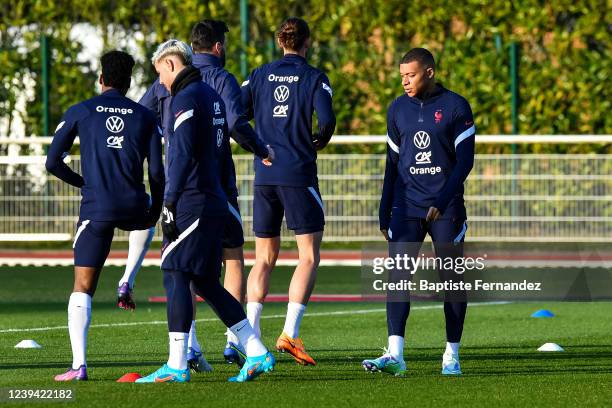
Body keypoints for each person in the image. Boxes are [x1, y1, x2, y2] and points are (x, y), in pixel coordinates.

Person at [124, 21, 274, 372]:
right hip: (217, 192)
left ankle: (180, 360)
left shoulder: (186, 97)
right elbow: (232, 128)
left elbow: (182, 154)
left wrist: (170, 203)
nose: (159, 83)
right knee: (205, 277)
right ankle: (251, 348)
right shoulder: (214, 90)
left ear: (173, 65)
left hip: (192, 196)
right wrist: (260, 147)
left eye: (161, 73)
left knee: (174, 269)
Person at [47, 50, 164, 381]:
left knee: (82, 287)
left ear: (101, 79)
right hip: (134, 205)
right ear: (128, 83)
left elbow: (53, 162)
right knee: (147, 222)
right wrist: (154, 210)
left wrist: (82, 183)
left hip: (97, 207)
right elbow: (157, 172)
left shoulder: (81, 111)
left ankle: (79, 366)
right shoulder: (144, 117)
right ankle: (128, 276)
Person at [362, 48, 475, 376]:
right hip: (406, 205)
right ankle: (395, 354)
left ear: (429, 72)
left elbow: (464, 161)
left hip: (446, 206)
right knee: (398, 276)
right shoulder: (397, 109)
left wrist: (441, 201)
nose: (404, 82)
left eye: (410, 75)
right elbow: (392, 163)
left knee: (451, 279)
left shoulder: (456, 107)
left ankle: (451, 354)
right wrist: (384, 209)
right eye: (401, 76)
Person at [242, 17, 335, 366]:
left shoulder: (259, 74)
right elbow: (326, 121)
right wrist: (317, 141)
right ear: (307, 42)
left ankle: (248, 338)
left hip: (264, 176)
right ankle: (289, 334)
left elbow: (238, 111)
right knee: (308, 255)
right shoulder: (314, 77)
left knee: (263, 257)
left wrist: (259, 143)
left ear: (279, 41)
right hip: (297, 173)